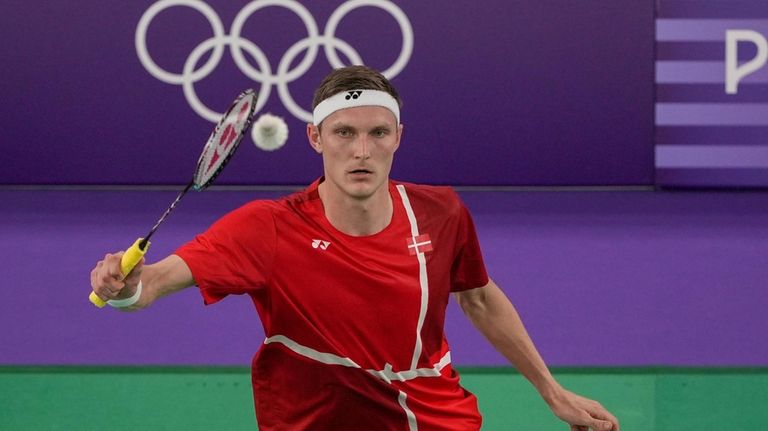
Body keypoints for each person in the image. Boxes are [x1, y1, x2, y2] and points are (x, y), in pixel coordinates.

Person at [90, 65, 620, 431]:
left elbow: (478, 297)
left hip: (430, 414)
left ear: (398, 137)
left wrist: (552, 391)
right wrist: (122, 285)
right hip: (313, 420)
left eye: (377, 133)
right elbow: (151, 284)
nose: (361, 151)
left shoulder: (440, 213)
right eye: (343, 133)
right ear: (315, 138)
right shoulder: (266, 228)